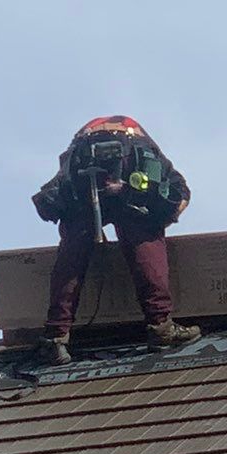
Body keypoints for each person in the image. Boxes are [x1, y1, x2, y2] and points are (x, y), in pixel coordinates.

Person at [31, 114, 200, 360]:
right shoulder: (161, 165)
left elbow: (58, 197)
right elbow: (178, 194)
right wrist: (159, 219)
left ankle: (55, 338)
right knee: (144, 235)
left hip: (82, 162)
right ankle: (161, 327)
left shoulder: (84, 141)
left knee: (73, 248)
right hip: (131, 157)